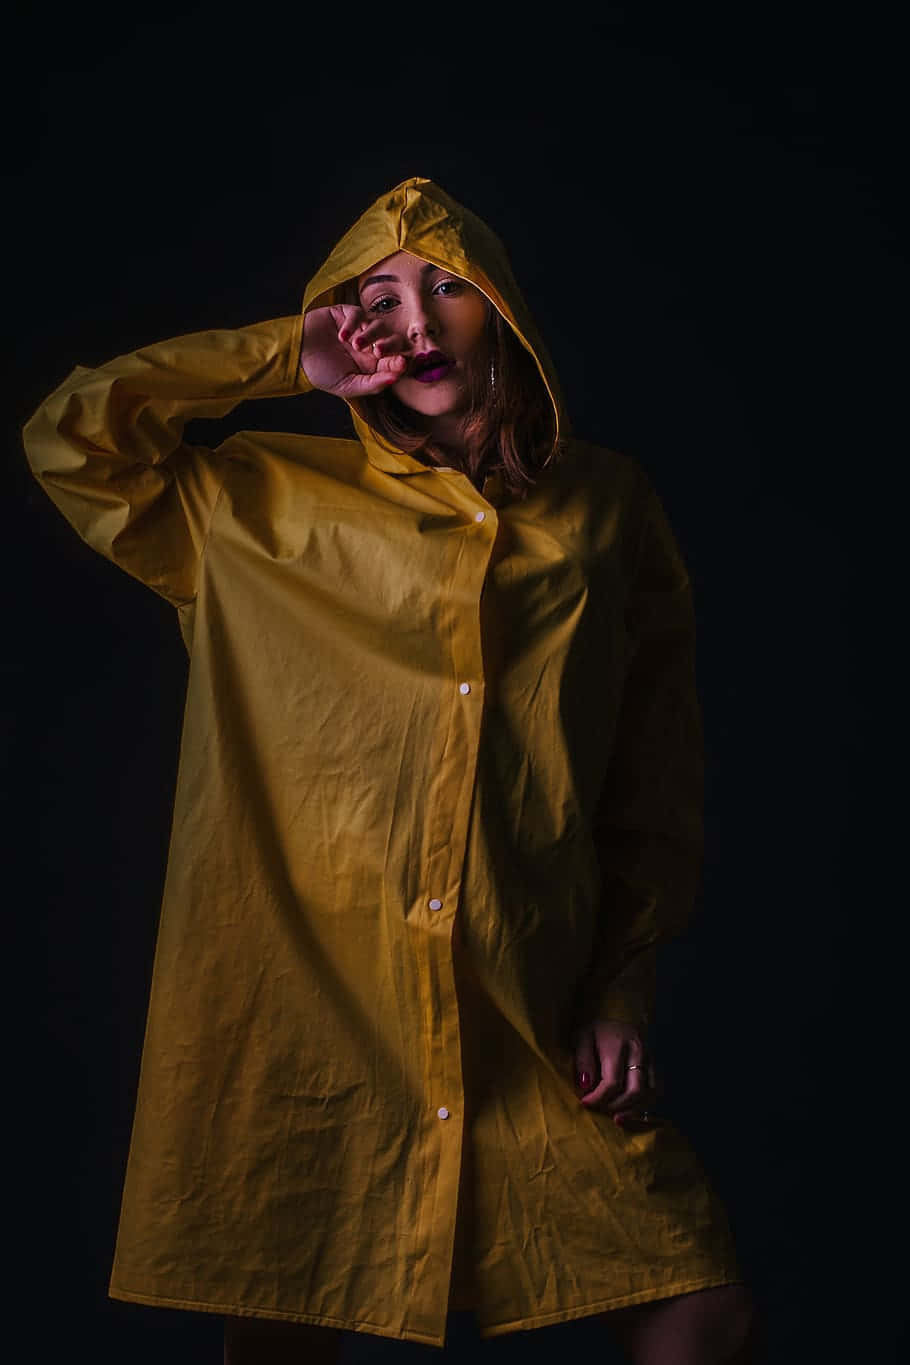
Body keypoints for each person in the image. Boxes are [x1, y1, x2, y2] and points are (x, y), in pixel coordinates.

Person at [23, 177, 759, 1364]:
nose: (412, 318)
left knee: (695, 1297)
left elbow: (649, 773)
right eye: (375, 296)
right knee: (288, 1324)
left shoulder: (608, 509)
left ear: (502, 316)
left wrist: (620, 988)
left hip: (518, 1004)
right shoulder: (249, 498)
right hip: (304, 1016)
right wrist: (281, 359)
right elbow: (71, 435)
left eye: (445, 286)